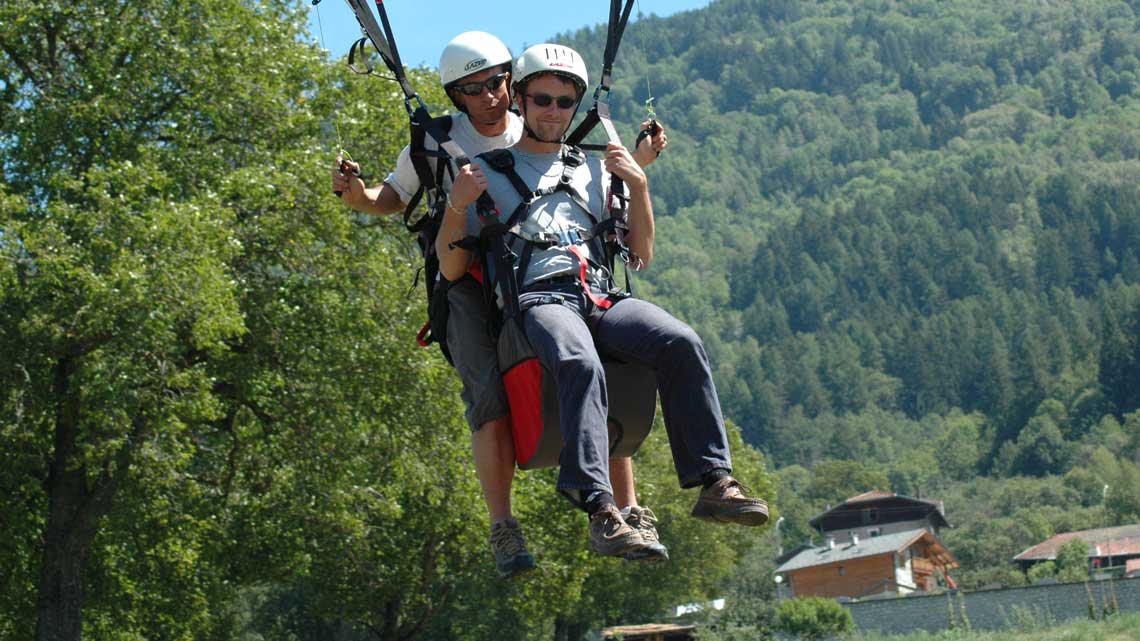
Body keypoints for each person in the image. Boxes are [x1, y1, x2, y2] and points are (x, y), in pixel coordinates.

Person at [331, 32, 669, 574]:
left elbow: (582, 191)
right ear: (457, 95)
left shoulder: (538, 119)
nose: (489, 96)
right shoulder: (436, 142)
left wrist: (638, 161)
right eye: (473, 89)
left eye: (495, 83)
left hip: (543, 268)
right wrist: (358, 197)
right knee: (487, 396)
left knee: (600, 360)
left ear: (513, 82)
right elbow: (392, 198)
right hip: (466, 271)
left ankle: (624, 509)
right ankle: (504, 529)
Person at [437, 43, 768, 558]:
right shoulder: (486, 172)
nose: (553, 111)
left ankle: (714, 482)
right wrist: (457, 208)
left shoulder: (596, 169)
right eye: (542, 99)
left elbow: (641, 254)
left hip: (601, 297)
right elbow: (452, 267)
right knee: (579, 360)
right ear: (519, 101)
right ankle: (599, 505)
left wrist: (639, 185)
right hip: (540, 300)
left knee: (681, 341)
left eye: (565, 102)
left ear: (576, 106)